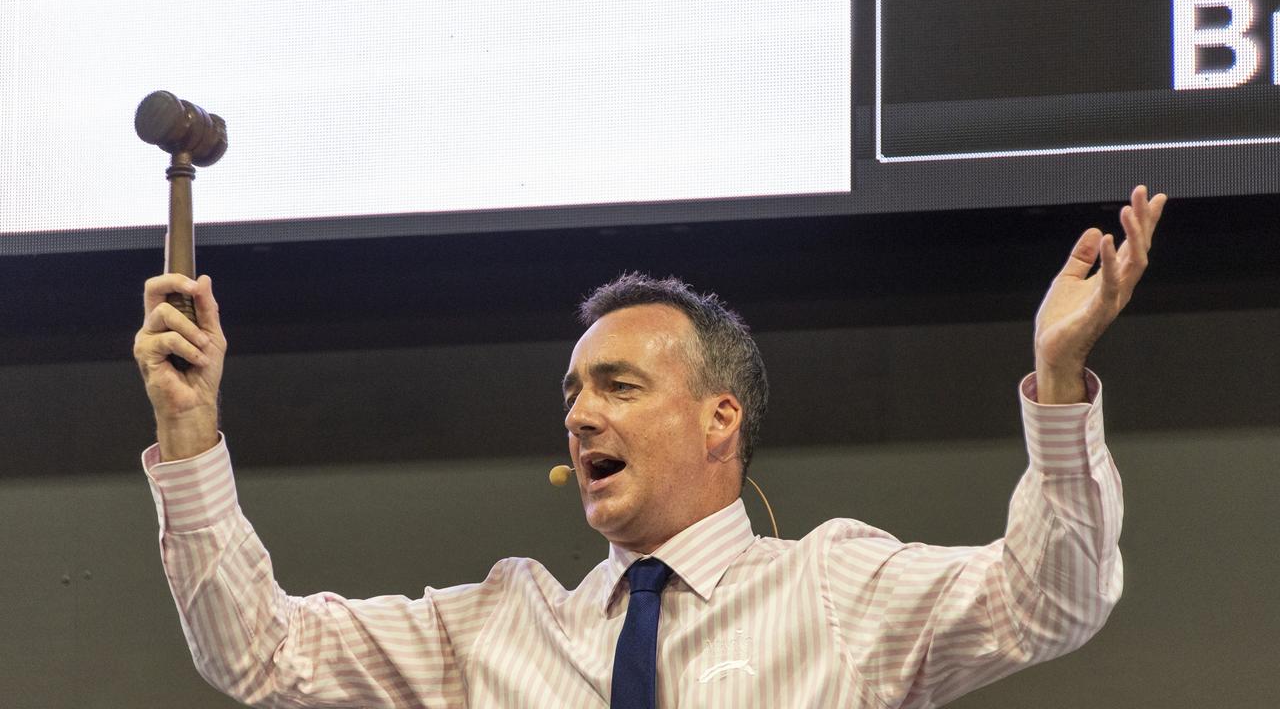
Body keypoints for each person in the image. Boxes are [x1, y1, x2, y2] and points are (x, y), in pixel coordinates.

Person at [134, 186, 1166, 708]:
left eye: (619, 387)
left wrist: (1060, 380)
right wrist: (188, 434)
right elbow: (258, 653)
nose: (580, 416)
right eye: (572, 394)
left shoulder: (837, 589)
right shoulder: (493, 626)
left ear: (720, 419)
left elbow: (1054, 601)